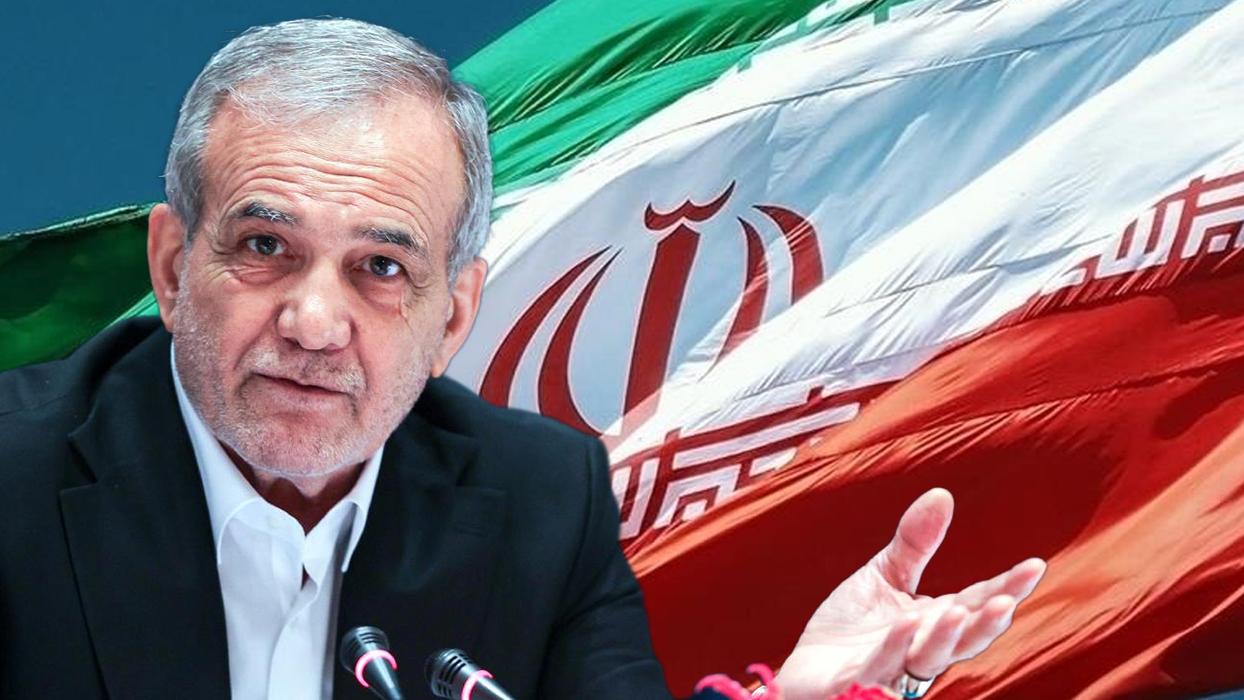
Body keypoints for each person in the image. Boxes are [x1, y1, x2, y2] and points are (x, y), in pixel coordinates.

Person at [0, 18, 1045, 700]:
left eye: (380, 268)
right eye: (266, 247)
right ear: (173, 266)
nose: (315, 323)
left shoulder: (539, 497)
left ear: (453, 316)